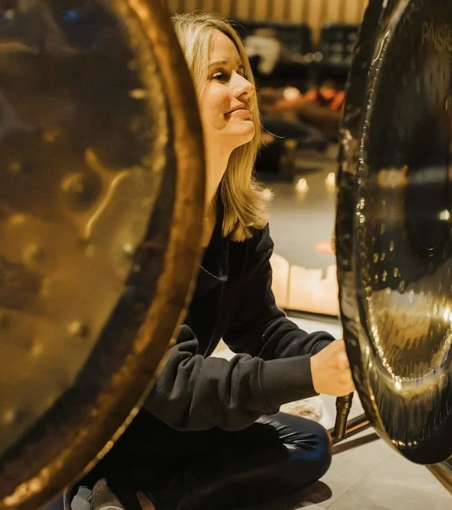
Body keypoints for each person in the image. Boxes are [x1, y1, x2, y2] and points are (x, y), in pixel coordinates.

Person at [62, 12, 354, 510]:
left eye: (242, 71)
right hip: (98, 431)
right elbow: (172, 383)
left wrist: (335, 355)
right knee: (284, 441)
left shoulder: (234, 214)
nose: (245, 87)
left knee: (309, 444)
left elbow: (259, 326)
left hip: (168, 425)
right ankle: (99, 487)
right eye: (220, 75)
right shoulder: (131, 223)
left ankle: (142, 496)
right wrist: (308, 375)